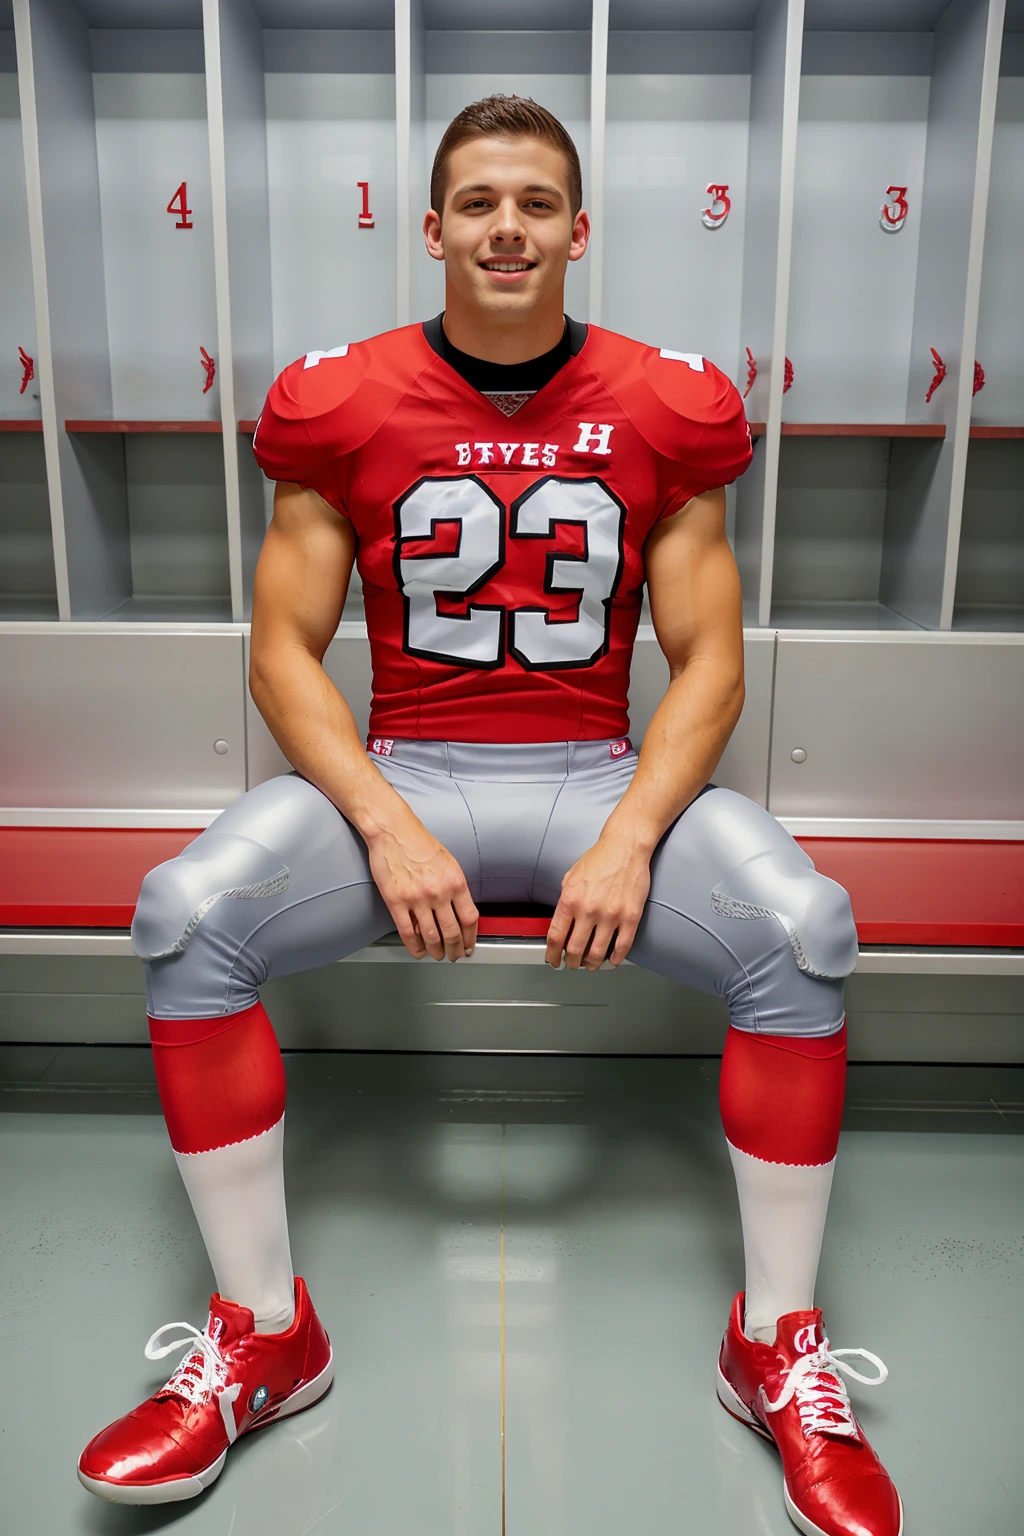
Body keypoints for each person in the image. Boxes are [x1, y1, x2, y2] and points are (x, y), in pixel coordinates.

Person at [77, 97, 901, 1534]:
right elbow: (280, 650)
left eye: (533, 202)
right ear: (434, 226)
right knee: (185, 913)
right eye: (476, 202)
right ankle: (267, 1333)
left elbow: (709, 662)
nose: (505, 226)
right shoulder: (343, 401)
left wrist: (635, 833)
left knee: (805, 930)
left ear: (580, 231)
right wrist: (386, 823)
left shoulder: (662, 400)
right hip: (407, 772)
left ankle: (772, 1345)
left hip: (593, 772)